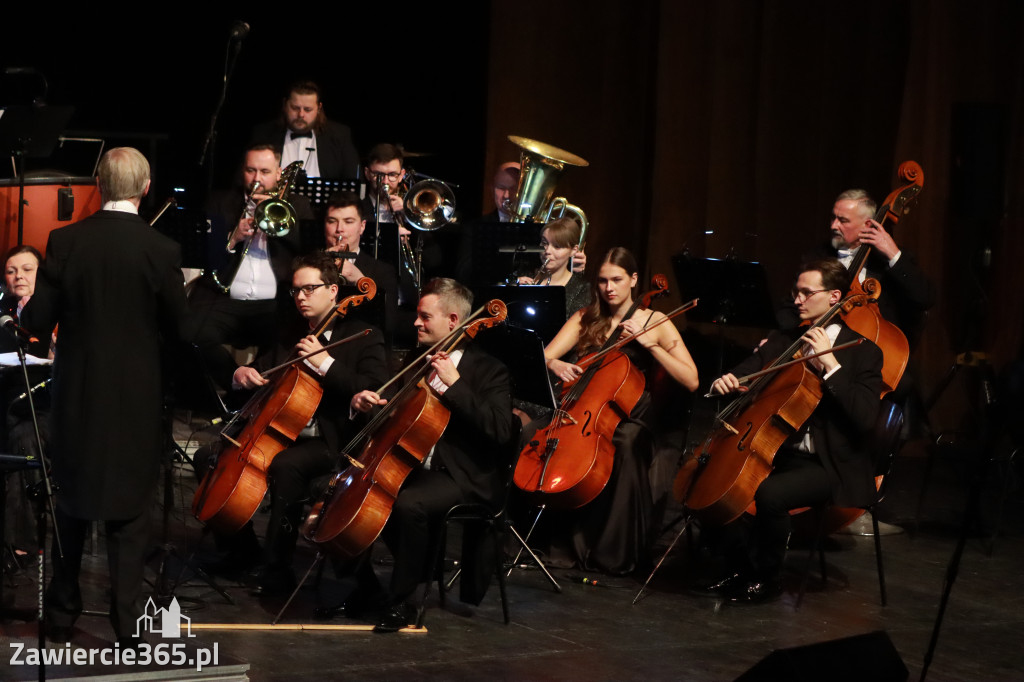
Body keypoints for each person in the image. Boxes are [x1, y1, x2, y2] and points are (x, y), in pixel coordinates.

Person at [22, 147, 192, 645]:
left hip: (77, 394)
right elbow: (181, 330)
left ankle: (60, 615)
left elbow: (37, 321)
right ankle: (126, 626)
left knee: (72, 504)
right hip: (136, 399)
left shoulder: (65, 241)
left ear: (99, 183)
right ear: (145, 188)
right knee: (130, 513)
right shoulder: (161, 250)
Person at [196, 253, 387, 593]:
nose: (300, 297)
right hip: (278, 432)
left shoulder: (363, 335)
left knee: (286, 466)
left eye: (309, 289)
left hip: (331, 441)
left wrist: (326, 363)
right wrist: (242, 373)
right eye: (296, 291)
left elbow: (372, 391)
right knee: (207, 455)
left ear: (333, 290)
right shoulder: (290, 335)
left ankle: (278, 569)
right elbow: (263, 374)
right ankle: (243, 552)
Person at [704, 258, 883, 603]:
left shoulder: (863, 353)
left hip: (829, 463)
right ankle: (737, 568)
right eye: (795, 292)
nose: (797, 300)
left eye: (806, 292)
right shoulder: (785, 340)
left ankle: (767, 578)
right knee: (721, 479)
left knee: (770, 494)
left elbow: (863, 418)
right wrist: (727, 381)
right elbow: (748, 370)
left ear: (834, 297)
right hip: (778, 450)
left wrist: (831, 366)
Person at [347, 277, 515, 631]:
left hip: (463, 475)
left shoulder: (489, 369)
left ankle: (405, 601)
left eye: (425, 316)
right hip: (416, 465)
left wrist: (456, 384)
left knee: (408, 503)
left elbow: (499, 430)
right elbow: (393, 412)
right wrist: (365, 405)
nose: (415, 322)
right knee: (345, 491)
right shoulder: (418, 358)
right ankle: (370, 586)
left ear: (453, 321)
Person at [536, 247, 699, 575]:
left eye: (617, 280)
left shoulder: (655, 320)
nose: (609, 288)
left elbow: (691, 380)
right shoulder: (586, 317)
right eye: (602, 281)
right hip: (586, 412)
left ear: (634, 280)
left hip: (635, 417)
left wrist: (651, 344)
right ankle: (548, 540)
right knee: (533, 434)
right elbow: (544, 355)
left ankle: (613, 552)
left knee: (625, 442)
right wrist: (555, 365)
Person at [193, 144, 314, 390]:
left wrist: (275, 222)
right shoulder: (221, 201)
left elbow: (307, 251)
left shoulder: (297, 205)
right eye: (251, 170)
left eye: (265, 171)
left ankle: (257, 397)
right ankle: (235, 378)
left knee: (292, 338)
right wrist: (234, 236)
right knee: (192, 331)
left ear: (279, 174)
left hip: (276, 303)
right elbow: (207, 258)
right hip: (227, 299)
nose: (257, 178)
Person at [780, 189, 934, 347]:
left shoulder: (891, 258)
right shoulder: (817, 256)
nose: (834, 225)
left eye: (843, 220)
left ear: (867, 225)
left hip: (876, 351)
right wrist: (776, 343)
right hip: (816, 349)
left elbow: (924, 298)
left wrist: (893, 254)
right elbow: (790, 308)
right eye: (833, 217)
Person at [1, 245, 51, 567]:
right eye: (10, 270)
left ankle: (21, 545)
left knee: (24, 437)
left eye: (27, 269)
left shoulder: (54, 309)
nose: (18, 275)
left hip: (48, 406)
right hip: (8, 400)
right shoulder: (2, 311)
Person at [250, 80, 359, 179]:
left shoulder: (339, 135)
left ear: (319, 108)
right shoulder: (263, 134)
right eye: (295, 108)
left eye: (308, 110)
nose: (301, 114)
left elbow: (354, 180)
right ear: (285, 105)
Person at [516, 216, 592, 318]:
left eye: (557, 246)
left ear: (573, 250)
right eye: (544, 243)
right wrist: (514, 290)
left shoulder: (582, 289)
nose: (547, 251)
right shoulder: (523, 274)